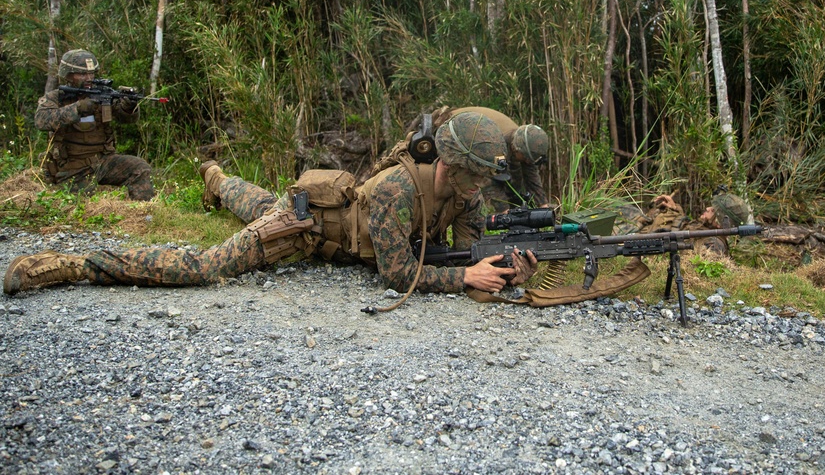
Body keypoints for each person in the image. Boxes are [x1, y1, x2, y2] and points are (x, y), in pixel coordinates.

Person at [4, 112, 538, 297]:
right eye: (474, 179)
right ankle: (72, 265)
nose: (478, 192)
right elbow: (398, 275)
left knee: (251, 199)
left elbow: (470, 260)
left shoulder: (465, 197)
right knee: (204, 267)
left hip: (331, 227)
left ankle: (216, 180)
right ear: (454, 165)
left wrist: (507, 269)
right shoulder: (401, 188)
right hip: (306, 227)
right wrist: (464, 281)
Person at [34, 49, 154, 201]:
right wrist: (78, 108)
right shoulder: (56, 98)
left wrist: (129, 107)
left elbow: (127, 119)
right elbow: (41, 120)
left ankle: (143, 215)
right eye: (82, 74)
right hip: (72, 167)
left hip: (103, 161)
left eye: (91, 74)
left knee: (140, 168)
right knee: (82, 206)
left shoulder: (102, 95)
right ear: (68, 75)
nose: (89, 78)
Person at [412, 106, 550, 213]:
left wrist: (543, 205)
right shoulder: (496, 145)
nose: (527, 161)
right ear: (516, 150)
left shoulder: (521, 140)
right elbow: (486, 178)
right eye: (525, 158)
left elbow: (531, 173)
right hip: (452, 134)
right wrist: (503, 210)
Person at [637, 190, 751, 255]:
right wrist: (674, 209)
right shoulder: (706, 230)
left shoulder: (713, 244)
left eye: (713, 210)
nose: (707, 208)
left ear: (721, 222)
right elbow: (688, 229)